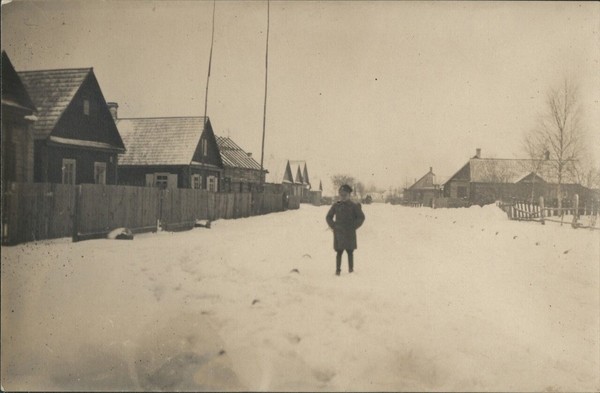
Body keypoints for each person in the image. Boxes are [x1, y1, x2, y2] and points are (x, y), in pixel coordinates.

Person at [326, 184, 366, 276]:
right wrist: (334, 226)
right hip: (339, 233)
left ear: (349, 195)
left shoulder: (354, 206)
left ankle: (351, 271)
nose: (343, 197)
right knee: (339, 252)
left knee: (350, 252)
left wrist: (353, 226)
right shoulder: (336, 206)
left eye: (345, 195)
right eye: (341, 195)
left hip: (349, 233)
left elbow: (361, 217)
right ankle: (337, 271)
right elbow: (328, 217)